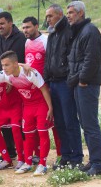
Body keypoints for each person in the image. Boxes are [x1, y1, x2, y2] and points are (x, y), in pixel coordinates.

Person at [66, 1, 101, 176]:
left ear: (81, 13)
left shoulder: (90, 31)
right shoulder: (80, 31)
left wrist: (82, 80)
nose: (69, 15)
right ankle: (94, 161)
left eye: (72, 12)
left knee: (90, 125)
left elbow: (91, 59)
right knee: (85, 124)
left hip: (86, 84)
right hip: (79, 83)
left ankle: (99, 163)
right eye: (68, 12)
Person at [44, 4, 83, 170]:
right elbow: (48, 58)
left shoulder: (69, 31)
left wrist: (69, 76)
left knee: (69, 120)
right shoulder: (52, 34)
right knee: (59, 122)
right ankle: (65, 155)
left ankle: (77, 157)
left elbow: (73, 57)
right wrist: (47, 78)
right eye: (47, 17)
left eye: (50, 16)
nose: (48, 19)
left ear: (60, 15)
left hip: (65, 82)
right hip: (53, 82)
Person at [0, 51, 52, 176]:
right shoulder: (7, 75)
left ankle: (42, 165)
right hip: (27, 107)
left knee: (42, 134)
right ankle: (28, 163)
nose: (4, 68)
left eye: (6, 65)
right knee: (28, 135)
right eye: (2, 65)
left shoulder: (30, 73)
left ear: (15, 64)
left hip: (41, 105)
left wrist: (50, 108)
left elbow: (44, 89)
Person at [22, 16, 61, 164]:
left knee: (54, 124)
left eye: (28, 27)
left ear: (36, 26)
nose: (26, 30)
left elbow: (50, 63)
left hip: (47, 87)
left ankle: (60, 155)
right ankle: (38, 154)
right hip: (33, 91)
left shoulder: (45, 41)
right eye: (24, 27)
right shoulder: (26, 42)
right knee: (38, 126)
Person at [0, 11, 25, 160]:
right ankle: (10, 150)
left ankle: (25, 151)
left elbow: (22, 60)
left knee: (18, 119)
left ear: (10, 23)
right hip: (5, 84)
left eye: (2, 23)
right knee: (4, 119)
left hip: (19, 82)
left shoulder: (21, 38)